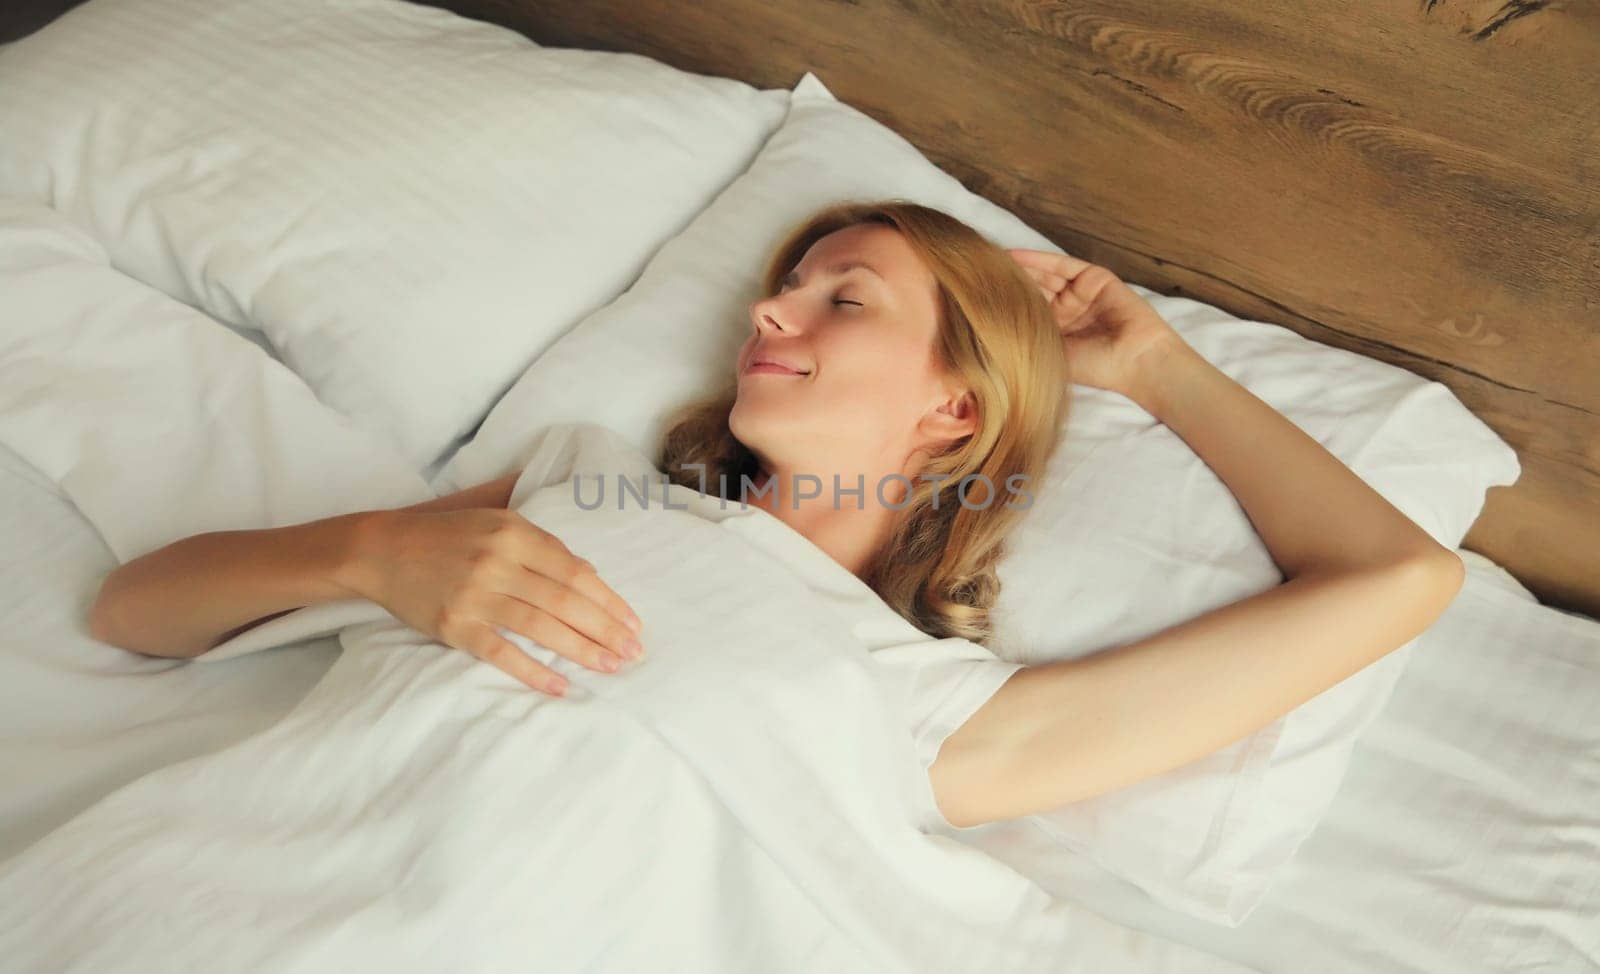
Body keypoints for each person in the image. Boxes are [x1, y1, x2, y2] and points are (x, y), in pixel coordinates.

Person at [88, 200, 1464, 831]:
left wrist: (1155, 366)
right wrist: (371, 552)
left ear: (954, 413)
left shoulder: (933, 718)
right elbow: (131, 607)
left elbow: (1398, 573)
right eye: (785, 281)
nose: (769, 308)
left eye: (840, 296)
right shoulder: (573, 474)